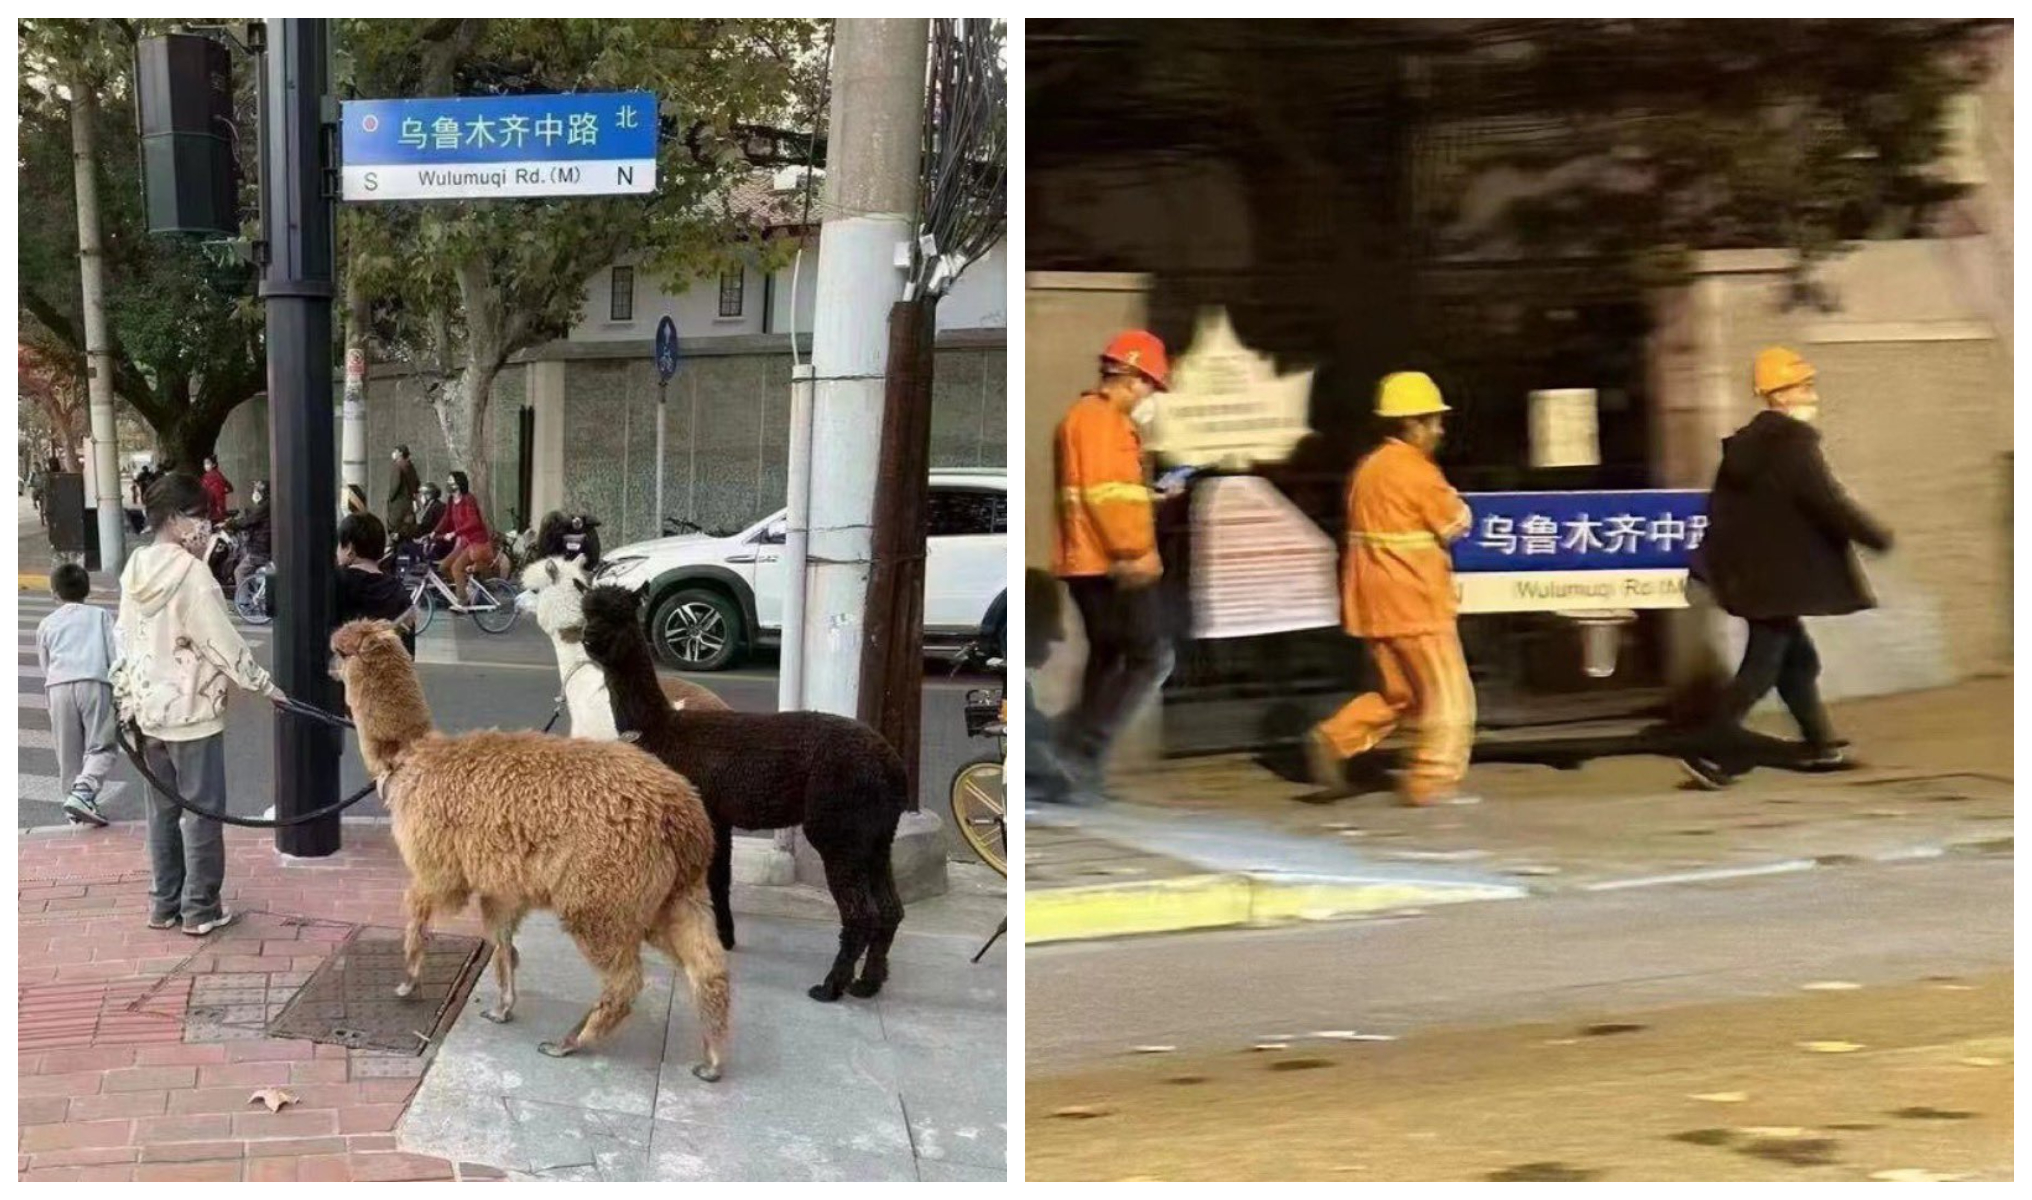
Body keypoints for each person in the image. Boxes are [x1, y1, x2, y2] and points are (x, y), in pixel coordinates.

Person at [1679, 347, 1894, 789]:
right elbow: (1824, 499)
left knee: (1798, 662)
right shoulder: (1789, 444)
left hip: (1757, 575)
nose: (1810, 394)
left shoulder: (1747, 447)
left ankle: (1821, 746)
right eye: (1803, 386)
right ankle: (1709, 747)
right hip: (1777, 580)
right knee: (1761, 667)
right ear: (1778, 395)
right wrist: (1874, 535)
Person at [113, 472, 287, 937]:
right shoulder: (193, 575)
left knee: (163, 812)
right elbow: (221, 642)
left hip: (148, 714)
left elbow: (124, 640)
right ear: (174, 519)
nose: (207, 526)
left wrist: (126, 697)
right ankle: (201, 908)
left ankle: (163, 904)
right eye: (200, 517)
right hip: (192, 714)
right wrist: (264, 686)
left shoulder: (135, 569)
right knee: (203, 812)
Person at [1306, 372, 1479, 807]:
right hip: (1417, 601)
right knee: (1447, 698)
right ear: (1412, 424)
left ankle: (1336, 738)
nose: (1439, 430)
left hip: (1374, 604)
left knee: (1402, 695)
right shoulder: (1417, 472)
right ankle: (1431, 782)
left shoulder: (1367, 470)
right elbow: (1455, 523)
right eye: (1433, 421)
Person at [1049, 330, 1175, 803]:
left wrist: (1148, 497)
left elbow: (1106, 493)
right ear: (1132, 377)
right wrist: (1137, 551)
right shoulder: (1102, 422)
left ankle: (1074, 754)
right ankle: (1080, 753)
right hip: (1111, 562)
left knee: (1108, 658)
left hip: (1090, 560)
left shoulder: (1085, 419)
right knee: (1151, 656)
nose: (1151, 397)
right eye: (1151, 386)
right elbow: (1107, 499)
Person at [38, 563, 122, 828]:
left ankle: (73, 811)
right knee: (102, 745)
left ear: (55, 593)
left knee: (67, 752)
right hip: (94, 682)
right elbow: (115, 655)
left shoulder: (47, 623)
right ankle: (84, 791)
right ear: (88, 590)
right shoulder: (100, 615)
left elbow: (45, 662)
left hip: (58, 686)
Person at [335, 512, 417, 657]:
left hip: (345, 675)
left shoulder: (337, 583)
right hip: (387, 676)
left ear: (349, 548)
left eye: (338, 545)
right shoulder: (399, 591)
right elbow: (407, 652)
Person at [430, 470, 492, 602]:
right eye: (448, 482)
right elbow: (446, 519)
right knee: (444, 567)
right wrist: (435, 532)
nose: (449, 484)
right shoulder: (452, 500)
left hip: (476, 541)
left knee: (456, 568)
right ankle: (465, 587)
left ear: (459, 483)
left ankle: (463, 600)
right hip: (464, 542)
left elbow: (474, 521)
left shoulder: (468, 499)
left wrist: (454, 533)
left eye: (451, 482)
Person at [225, 479, 272, 599]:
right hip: (265, 546)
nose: (255, 493)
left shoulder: (265, 506)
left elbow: (249, 521)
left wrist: (230, 524)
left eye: (257, 490)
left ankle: (244, 603)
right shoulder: (268, 504)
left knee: (240, 571)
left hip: (261, 548)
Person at [387, 445, 421, 540]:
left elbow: (395, 485)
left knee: (396, 532)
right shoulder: (410, 466)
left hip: (398, 505)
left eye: (396, 451)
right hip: (409, 504)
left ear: (400, 453)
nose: (394, 453)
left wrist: (391, 498)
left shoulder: (397, 466)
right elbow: (417, 483)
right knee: (407, 531)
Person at [412, 483, 448, 559]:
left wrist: (412, 514)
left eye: (422, 495)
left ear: (428, 496)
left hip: (438, 546)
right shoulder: (440, 505)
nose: (420, 498)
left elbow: (421, 529)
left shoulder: (433, 509)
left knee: (404, 548)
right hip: (444, 544)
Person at [199, 456, 233, 523]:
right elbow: (230, 488)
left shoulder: (207, 477)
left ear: (214, 464)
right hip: (220, 507)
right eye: (204, 464)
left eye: (208, 463)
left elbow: (202, 491)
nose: (205, 466)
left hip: (212, 508)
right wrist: (223, 492)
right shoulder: (219, 474)